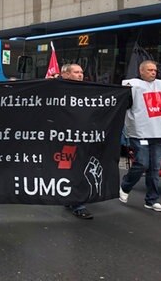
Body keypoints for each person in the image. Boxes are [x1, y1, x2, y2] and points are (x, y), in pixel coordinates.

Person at [119, 60, 161, 212]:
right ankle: (126, 185)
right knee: (142, 163)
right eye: (149, 70)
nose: (153, 72)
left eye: (155, 70)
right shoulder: (133, 86)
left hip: (157, 133)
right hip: (140, 132)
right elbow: (125, 106)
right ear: (141, 71)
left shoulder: (160, 87)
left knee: (155, 168)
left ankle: (152, 200)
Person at [58, 63, 94, 219]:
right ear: (65, 74)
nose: (80, 75)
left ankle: (74, 199)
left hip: (82, 136)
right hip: (64, 137)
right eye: (76, 72)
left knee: (79, 167)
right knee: (69, 167)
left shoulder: (87, 90)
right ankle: (77, 203)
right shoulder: (57, 89)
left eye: (81, 72)